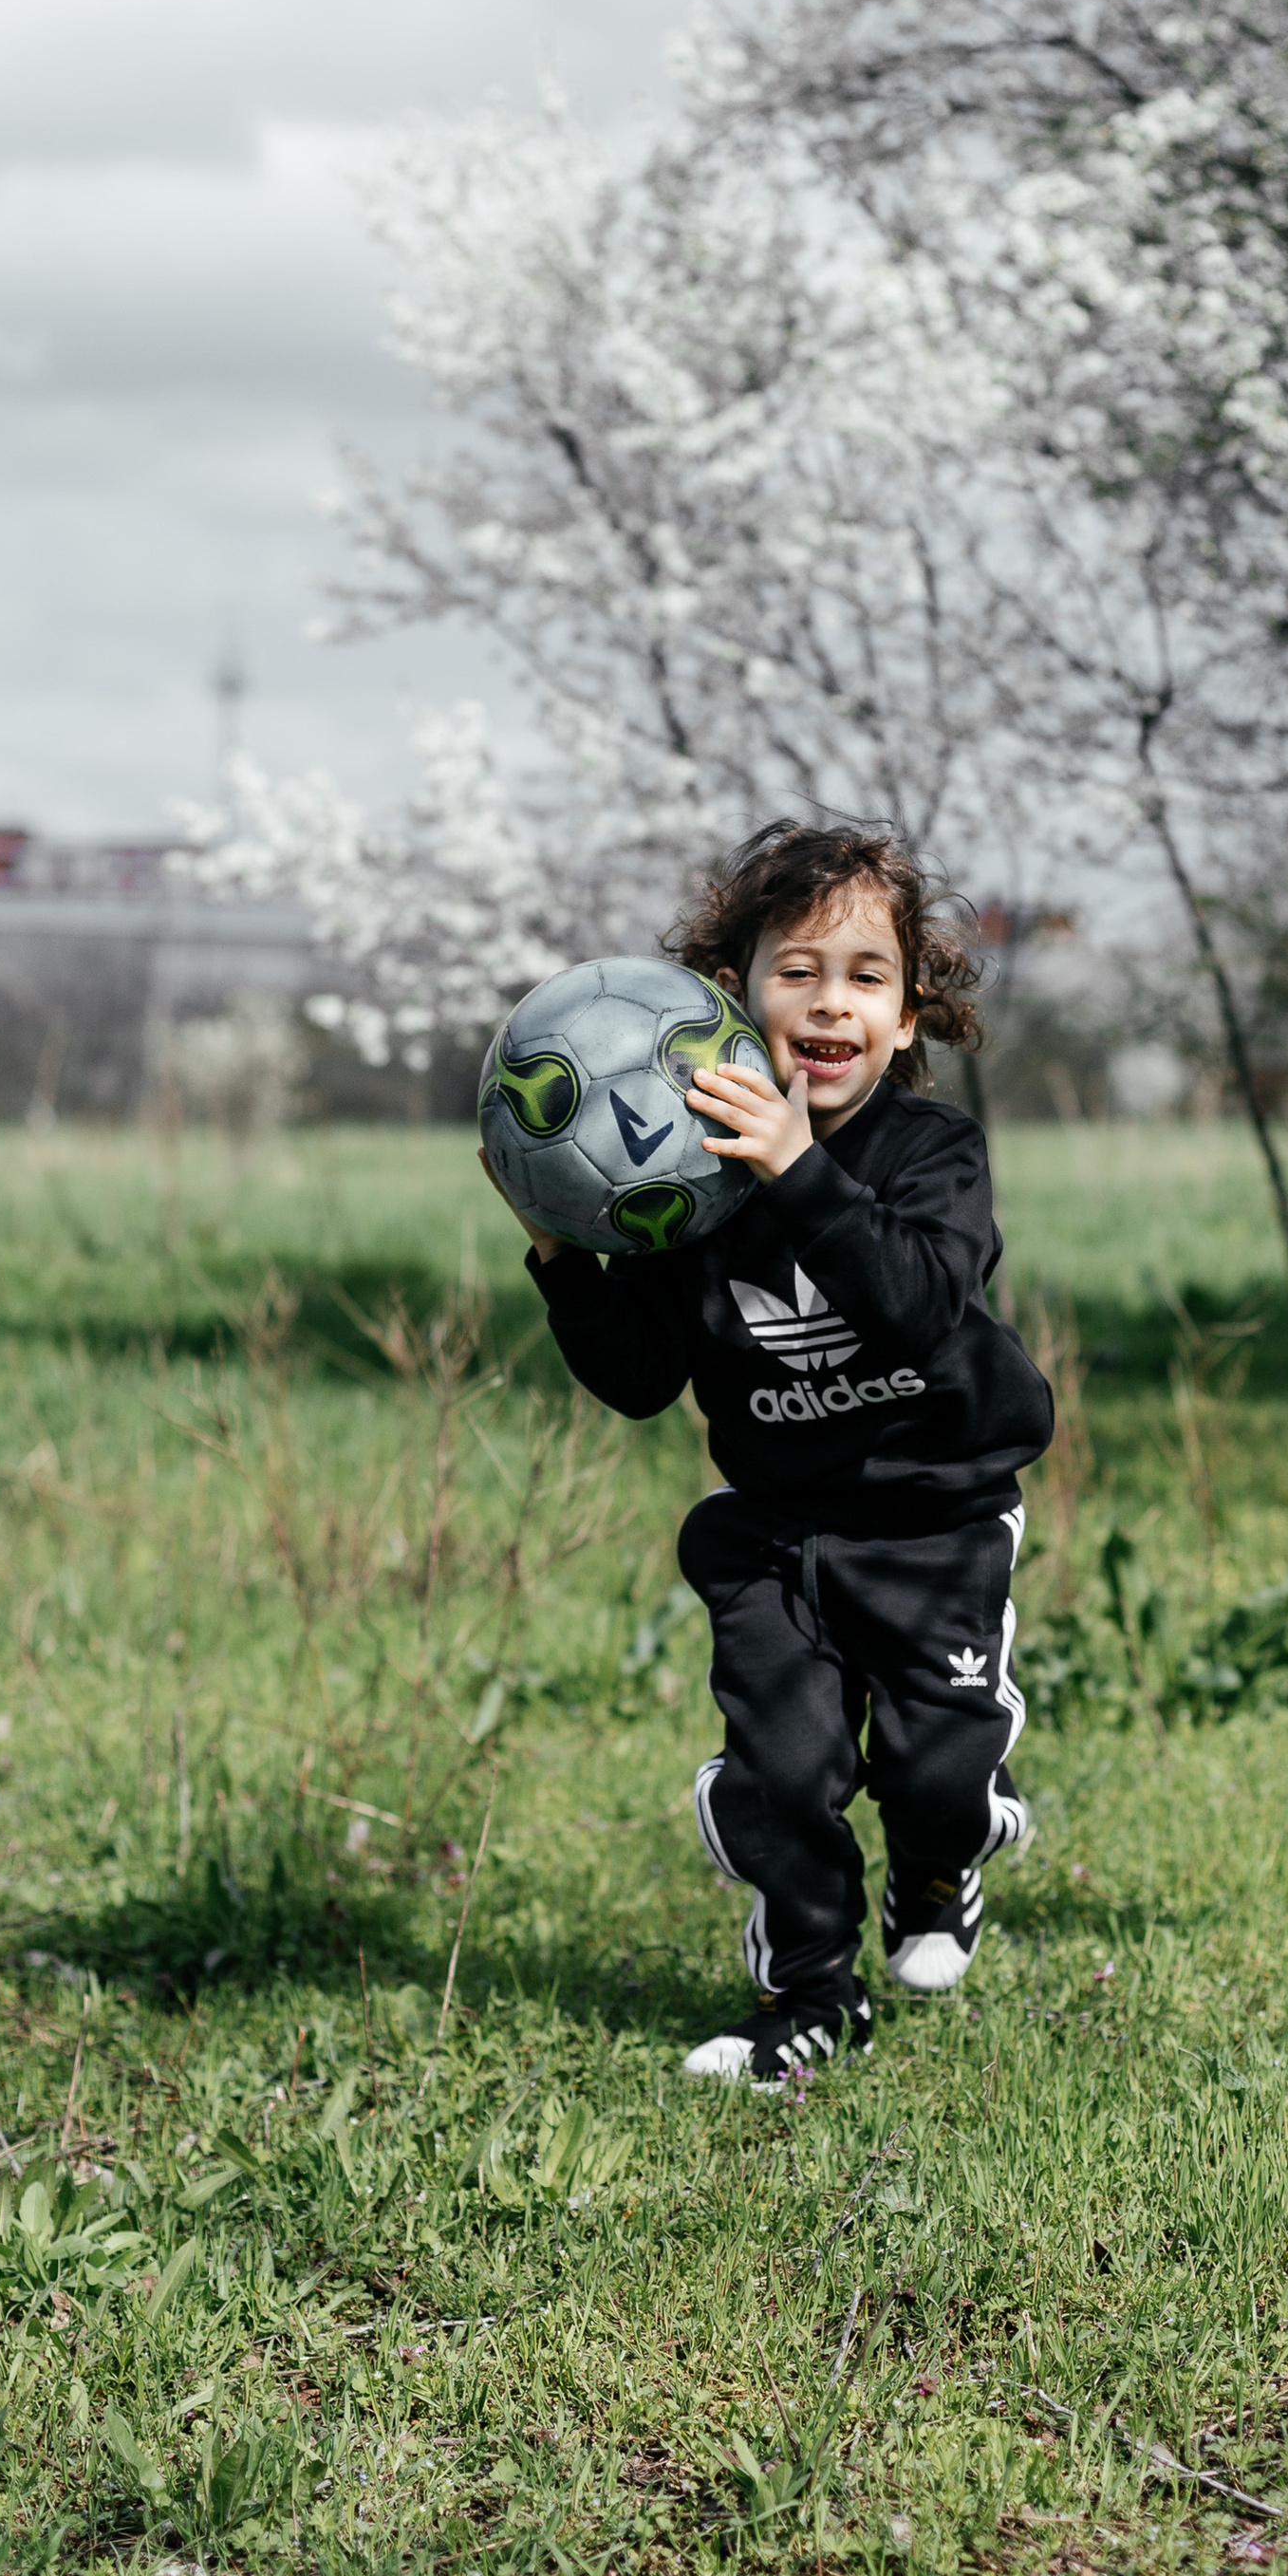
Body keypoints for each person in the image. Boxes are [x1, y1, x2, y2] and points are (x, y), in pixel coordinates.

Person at [482, 820, 1055, 2086]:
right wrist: (563, 1258)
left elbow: (917, 1304)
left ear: (907, 1019)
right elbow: (640, 1382)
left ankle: (943, 1862)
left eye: (866, 977)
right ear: (729, 1000)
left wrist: (800, 1173)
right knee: (784, 1772)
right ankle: (809, 1998)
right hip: (779, 1527)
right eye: (797, 971)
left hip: (939, 1518)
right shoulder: (686, 1186)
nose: (832, 1002)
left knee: (939, 1773)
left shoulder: (932, 1155)